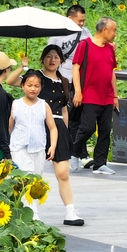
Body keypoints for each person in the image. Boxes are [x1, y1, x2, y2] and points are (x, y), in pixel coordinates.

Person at [36, 45, 83, 226]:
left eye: (56, 57)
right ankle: (31, 210)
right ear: (43, 59)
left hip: (58, 127)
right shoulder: (36, 77)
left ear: (61, 61)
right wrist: (21, 67)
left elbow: (64, 109)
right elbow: (12, 81)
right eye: (48, 56)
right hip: (38, 125)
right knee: (34, 172)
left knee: (63, 173)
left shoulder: (64, 81)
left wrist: (65, 130)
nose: (52, 60)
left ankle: (70, 211)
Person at [72, 17, 119, 175]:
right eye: (114, 30)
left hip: (106, 95)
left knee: (105, 130)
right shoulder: (85, 45)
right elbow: (75, 68)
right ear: (104, 30)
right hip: (90, 94)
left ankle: (100, 163)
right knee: (88, 127)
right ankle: (74, 152)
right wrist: (78, 91)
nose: (115, 34)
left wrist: (115, 96)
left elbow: (111, 73)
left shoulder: (110, 48)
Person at [48, 5, 91, 172]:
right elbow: (50, 55)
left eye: (83, 20)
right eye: (79, 20)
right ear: (70, 18)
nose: (81, 23)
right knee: (69, 116)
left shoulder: (86, 33)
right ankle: (71, 152)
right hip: (64, 80)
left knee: (80, 118)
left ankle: (80, 153)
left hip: (81, 81)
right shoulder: (58, 33)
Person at [9, 69, 57, 174]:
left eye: (36, 86)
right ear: (22, 86)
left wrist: (52, 146)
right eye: (29, 85)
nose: (33, 89)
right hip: (19, 149)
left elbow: (52, 127)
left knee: (36, 181)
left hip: (38, 149)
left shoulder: (44, 105)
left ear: (41, 87)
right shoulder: (15, 105)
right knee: (22, 179)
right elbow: (10, 127)